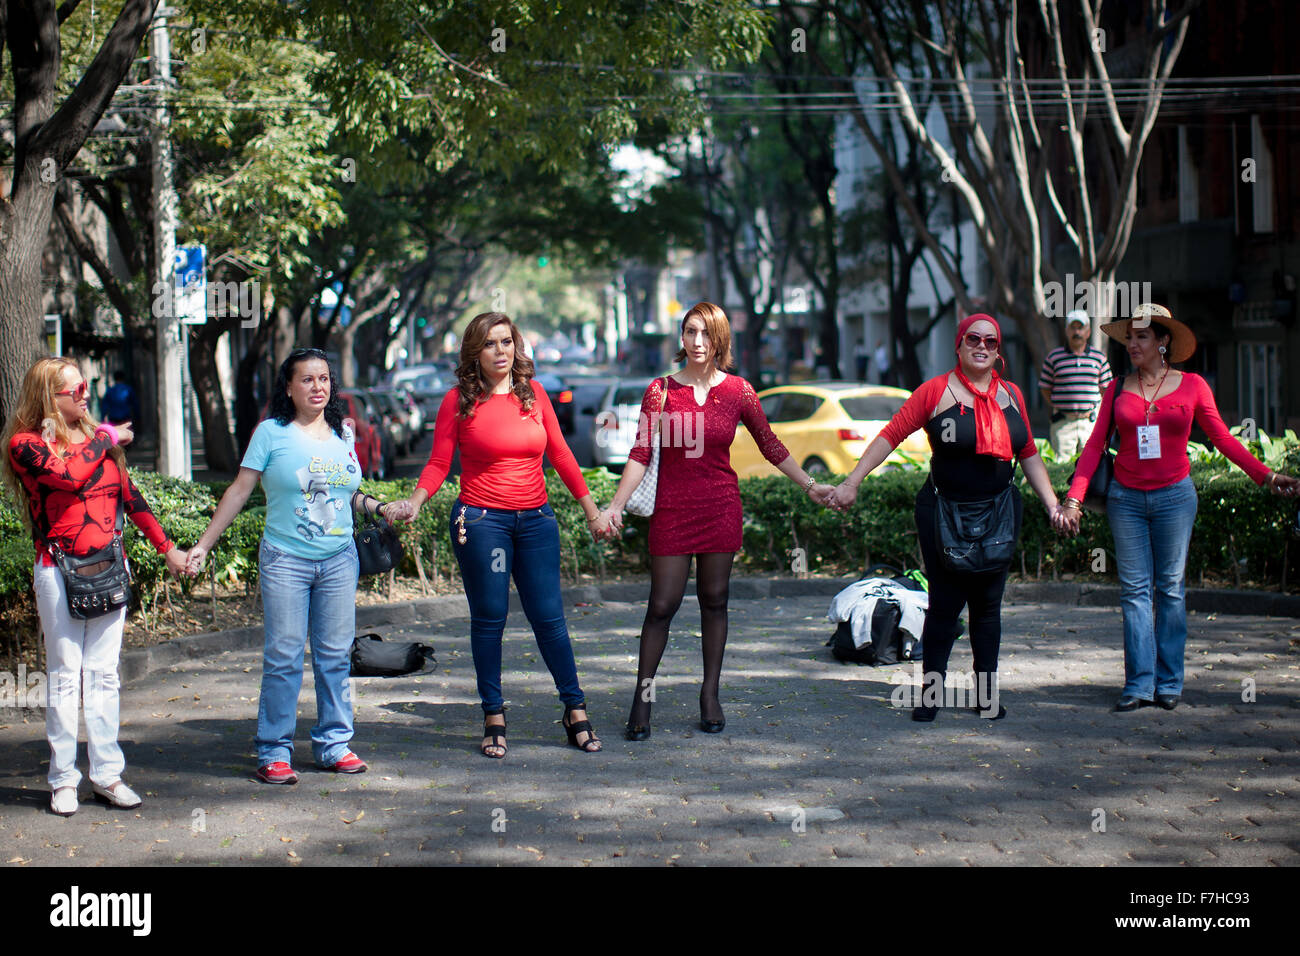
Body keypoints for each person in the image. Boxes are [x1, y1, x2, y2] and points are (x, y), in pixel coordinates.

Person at [598, 302, 834, 740]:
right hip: (672, 509)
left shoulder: (739, 392)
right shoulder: (660, 390)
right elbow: (641, 452)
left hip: (720, 506)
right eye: (690, 332)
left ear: (720, 338)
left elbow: (769, 443)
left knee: (715, 599)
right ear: (681, 337)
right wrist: (615, 505)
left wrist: (809, 485)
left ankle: (710, 694)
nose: (698, 342)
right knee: (661, 605)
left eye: (707, 333)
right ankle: (642, 698)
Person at [1059, 304, 1300, 712]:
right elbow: (1096, 445)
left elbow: (1223, 438)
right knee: (1134, 593)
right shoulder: (1117, 388)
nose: (1132, 344)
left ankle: (1169, 682)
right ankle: (1138, 683)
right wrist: (1073, 499)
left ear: (1163, 341)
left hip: (1175, 498)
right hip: (1126, 500)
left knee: (1169, 590)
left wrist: (1267, 476)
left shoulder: (1192, 386)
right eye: (1129, 338)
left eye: (1141, 337)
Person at [827, 314, 1066, 722]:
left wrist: (1053, 504)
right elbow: (891, 434)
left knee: (988, 608)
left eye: (991, 341)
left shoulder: (1011, 395)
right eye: (973, 338)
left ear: (997, 349)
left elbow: (1028, 454)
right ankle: (931, 694)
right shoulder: (936, 391)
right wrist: (852, 481)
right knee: (945, 606)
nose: (982, 346)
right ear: (959, 345)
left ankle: (985, 695)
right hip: (943, 513)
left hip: (997, 514)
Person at [185, 348, 402, 783]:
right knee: (284, 657)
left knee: (335, 657)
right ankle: (273, 750)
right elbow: (240, 491)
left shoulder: (344, 432)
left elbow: (344, 493)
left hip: (340, 559)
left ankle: (334, 744)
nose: (318, 387)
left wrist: (379, 506)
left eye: (324, 378)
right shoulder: (271, 433)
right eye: (307, 379)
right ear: (289, 387)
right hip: (286, 559)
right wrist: (204, 545)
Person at [395, 312, 604, 758]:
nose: (501, 351)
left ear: (517, 346)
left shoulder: (535, 394)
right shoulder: (457, 401)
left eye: (507, 342)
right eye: (490, 344)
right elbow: (438, 463)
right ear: (476, 352)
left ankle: (575, 709)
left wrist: (592, 511)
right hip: (482, 520)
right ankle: (493, 714)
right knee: (490, 619)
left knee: (549, 619)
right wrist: (415, 501)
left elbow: (562, 454)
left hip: (536, 521)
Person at [2, 358, 188, 816]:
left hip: (107, 564)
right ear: (50, 396)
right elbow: (68, 477)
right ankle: (63, 780)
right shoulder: (24, 445)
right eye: (76, 389)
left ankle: (107, 775)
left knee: (103, 674)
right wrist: (107, 435)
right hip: (58, 569)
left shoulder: (96, 441)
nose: (85, 395)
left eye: (86, 386)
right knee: (65, 675)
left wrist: (168, 549)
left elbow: (130, 496)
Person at [1039, 309, 1113, 458]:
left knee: (1092, 466)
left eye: (1081, 327)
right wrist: (1058, 405)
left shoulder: (1098, 358)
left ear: (1088, 331)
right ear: (1066, 330)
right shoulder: (1054, 357)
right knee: (1062, 470)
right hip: (1063, 424)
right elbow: (1045, 387)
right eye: (1073, 327)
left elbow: (1107, 389)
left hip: (1090, 423)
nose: (1076, 331)